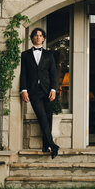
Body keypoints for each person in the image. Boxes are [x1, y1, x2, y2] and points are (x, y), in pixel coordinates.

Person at [19, 27, 60, 159]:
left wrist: (54, 89)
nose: (38, 37)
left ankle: (45, 145)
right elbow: (23, 74)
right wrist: (23, 90)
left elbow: (54, 74)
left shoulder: (49, 55)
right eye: (36, 35)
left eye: (40, 35)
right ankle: (53, 145)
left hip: (47, 90)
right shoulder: (25, 55)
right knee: (42, 116)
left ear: (43, 38)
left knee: (48, 117)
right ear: (32, 38)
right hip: (33, 91)